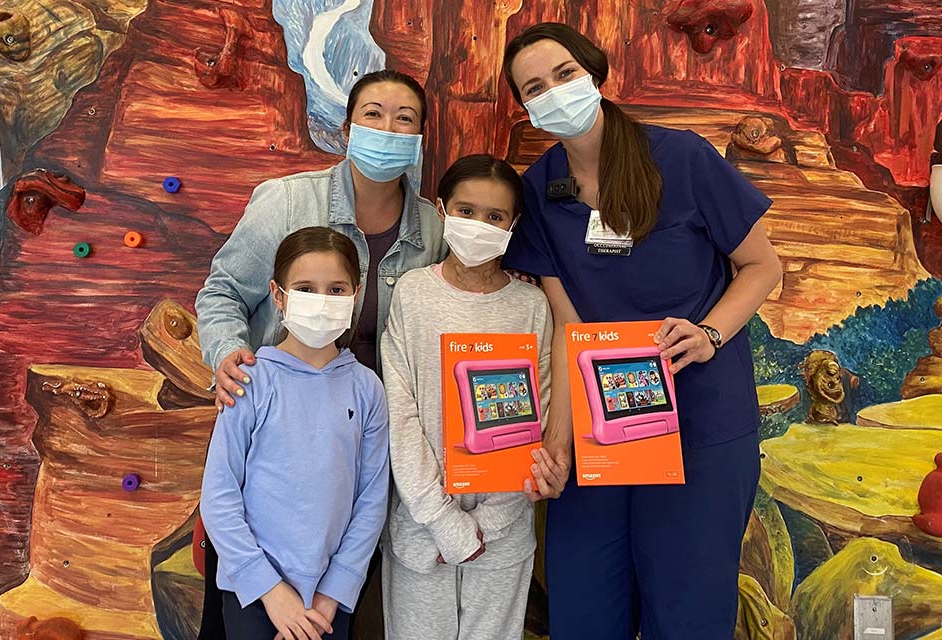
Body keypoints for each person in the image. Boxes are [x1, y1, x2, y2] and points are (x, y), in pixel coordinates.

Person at [500, 22, 784, 640]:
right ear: (525, 108)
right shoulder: (539, 193)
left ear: (596, 75)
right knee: (584, 609)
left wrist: (709, 333)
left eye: (564, 75)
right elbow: (565, 323)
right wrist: (558, 445)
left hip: (699, 426)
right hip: (599, 429)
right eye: (534, 87)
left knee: (688, 613)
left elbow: (763, 266)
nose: (553, 91)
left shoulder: (680, 158)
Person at [195, 69, 444, 638]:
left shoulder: (432, 227)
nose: (387, 127)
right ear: (347, 127)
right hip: (273, 439)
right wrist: (230, 356)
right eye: (373, 113)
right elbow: (222, 292)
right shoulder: (287, 201)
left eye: (404, 118)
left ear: (420, 139)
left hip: (360, 445)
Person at [379, 155, 552, 640]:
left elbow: (537, 415)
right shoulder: (412, 295)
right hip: (420, 528)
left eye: (495, 217)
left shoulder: (530, 306)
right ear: (441, 210)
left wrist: (490, 522)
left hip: (504, 532)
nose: (479, 225)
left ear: (513, 224)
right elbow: (401, 413)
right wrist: (440, 518)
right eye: (466, 211)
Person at [200, 227, 389, 640]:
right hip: (253, 593)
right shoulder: (249, 380)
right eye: (306, 288)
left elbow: (371, 498)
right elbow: (219, 492)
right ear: (278, 294)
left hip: (329, 600)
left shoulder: (367, 388)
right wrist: (269, 590)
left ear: (356, 293)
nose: (321, 301)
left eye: (336, 289)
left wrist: (334, 592)